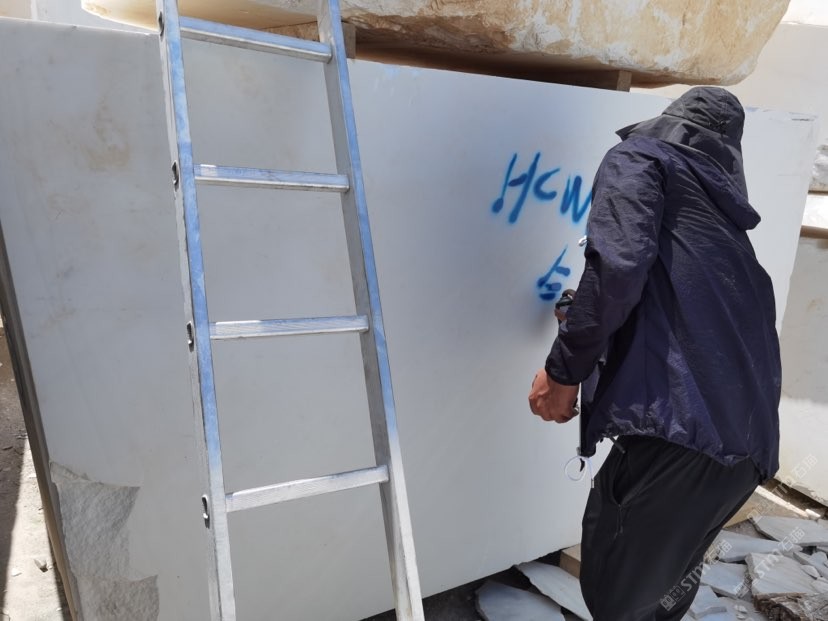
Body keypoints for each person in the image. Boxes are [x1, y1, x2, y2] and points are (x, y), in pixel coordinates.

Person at [527, 86, 781, 620]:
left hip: (681, 440)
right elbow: (673, 306)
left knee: (616, 594)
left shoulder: (642, 158)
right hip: (745, 450)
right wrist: (582, 315)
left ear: (670, 121)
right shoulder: (722, 223)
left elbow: (619, 267)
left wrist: (563, 371)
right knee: (660, 595)